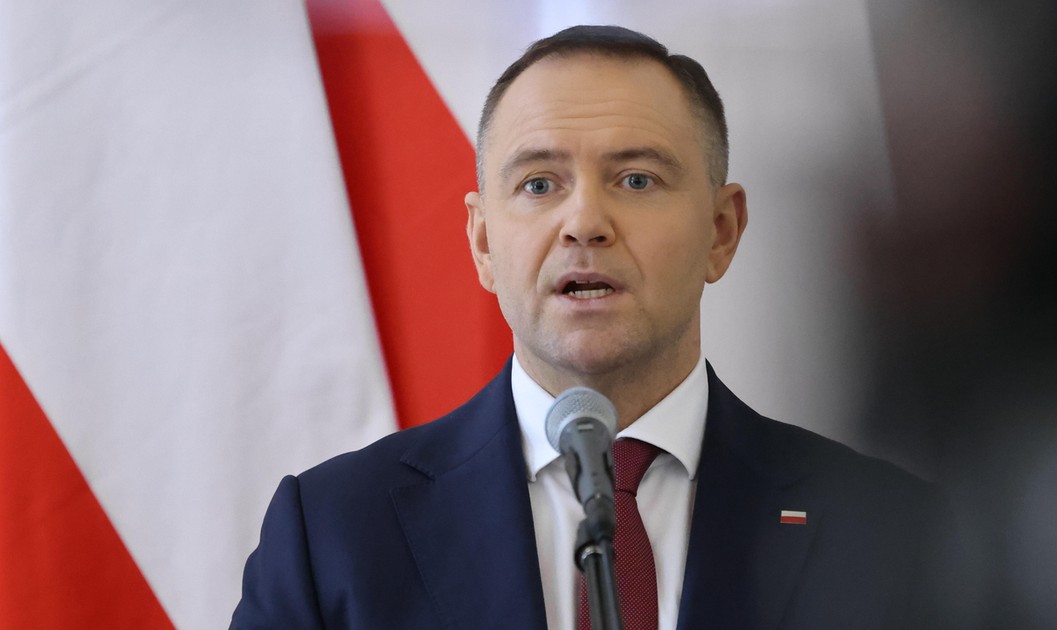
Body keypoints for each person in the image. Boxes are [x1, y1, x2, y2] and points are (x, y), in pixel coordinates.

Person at [232, 25, 945, 629]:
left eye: (636, 180)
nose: (584, 223)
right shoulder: (331, 536)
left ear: (721, 231)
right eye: (539, 184)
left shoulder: (896, 533)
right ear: (483, 242)